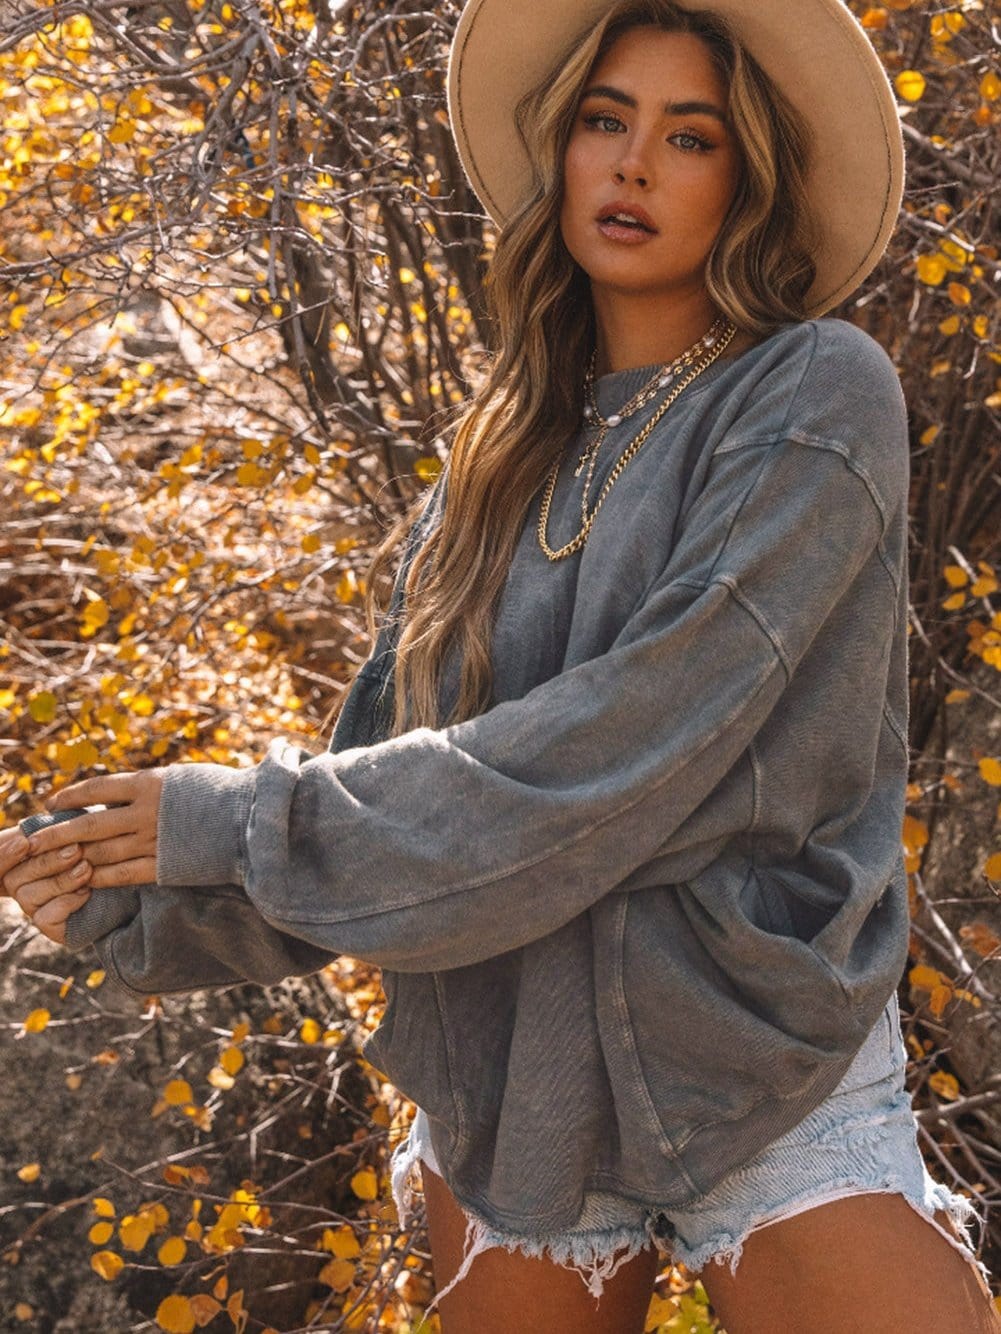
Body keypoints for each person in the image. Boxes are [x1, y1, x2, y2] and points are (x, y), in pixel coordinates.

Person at [2, 1, 1000, 1329]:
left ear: (749, 179)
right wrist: (136, 901)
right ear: (561, 150)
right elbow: (402, 788)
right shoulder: (495, 454)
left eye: (689, 137)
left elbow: (631, 741)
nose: (632, 163)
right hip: (510, 1063)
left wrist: (232, 821)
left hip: (751, 1056)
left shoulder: (816, 389)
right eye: (604, 119)